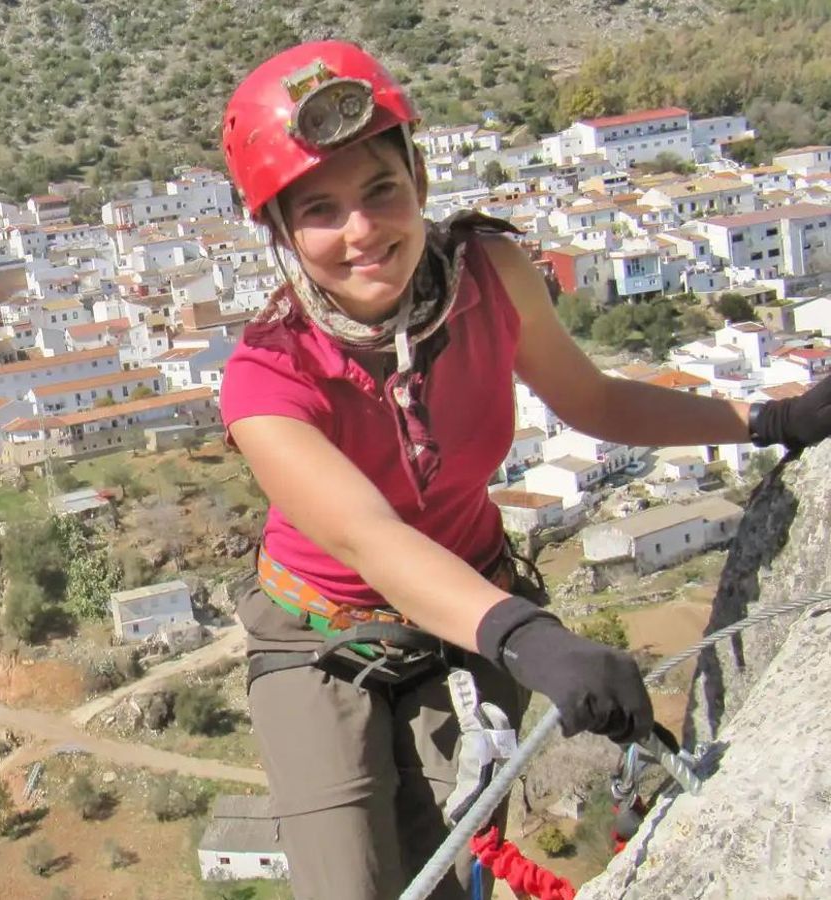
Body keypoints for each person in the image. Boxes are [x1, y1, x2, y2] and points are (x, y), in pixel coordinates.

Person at [217, 40, 831, 900]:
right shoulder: (266, 378)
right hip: (321, 644)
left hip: (469, 622)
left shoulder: (491, 280)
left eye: (380, 190)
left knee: (448, 879)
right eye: (319, 209)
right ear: (281, 231)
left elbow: (596, 402)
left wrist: (767, 420)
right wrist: (530, 638)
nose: (361, 230)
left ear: (419, 183)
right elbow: (370, 539)